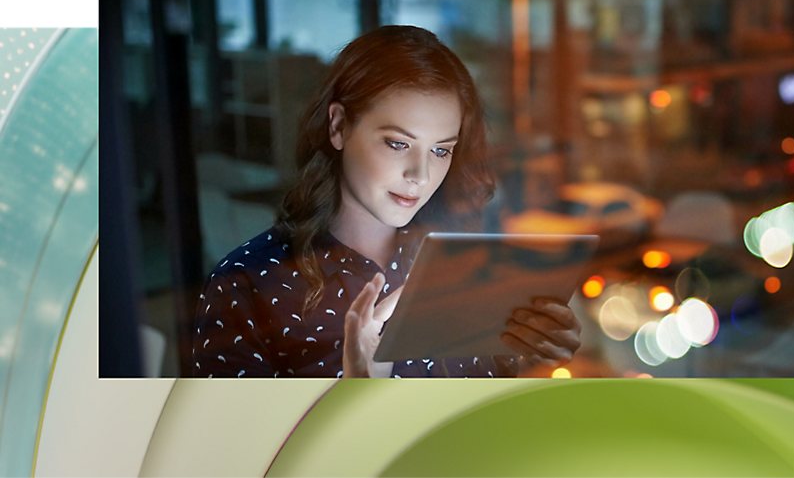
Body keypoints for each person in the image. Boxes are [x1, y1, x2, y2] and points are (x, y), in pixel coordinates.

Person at [191, 26, 581, 378]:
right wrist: (358, 394)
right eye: (397, 143)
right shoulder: (246, 284)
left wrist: (532, 357)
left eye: (441, 151)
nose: (421, 175)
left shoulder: (461, 264)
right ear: (339, 125)